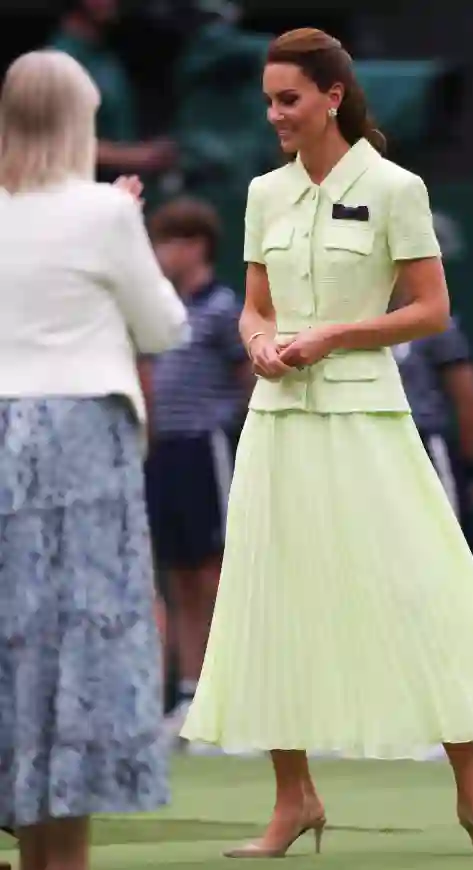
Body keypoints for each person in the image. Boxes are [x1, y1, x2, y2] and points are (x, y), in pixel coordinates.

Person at [180, 27, 473, 860]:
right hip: (278, 427)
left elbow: (430, 311)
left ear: (333, 96)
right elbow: (254, 304)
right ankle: (292, 802)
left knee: (423, 589)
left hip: (368, 419)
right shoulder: (263, 193)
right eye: (268, 100)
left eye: (290, 99)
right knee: (276, 604)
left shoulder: (395, 188)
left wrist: (335, 335)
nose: (275, 114)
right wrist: (257, 338)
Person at [0, 50, 187, 870]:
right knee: (82, 638)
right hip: (83, 436)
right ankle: (61, 847)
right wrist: (122, 221)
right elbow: (166, 327)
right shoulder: (107, 215)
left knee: (15, 636)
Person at [145, 198, 252, 744]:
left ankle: (230, 701)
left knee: (215, 577)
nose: (159, 254)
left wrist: (228, 427)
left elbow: (248, 376)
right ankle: (190, 696)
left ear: (196, 247)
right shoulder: (159, 309)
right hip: (164, 452)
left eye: (167, 242)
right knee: (181, 579)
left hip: (207, 450)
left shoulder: (222, 308)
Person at [49, 0, 176, 178]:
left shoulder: (106, 56)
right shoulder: (56, 62)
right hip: (78, 194)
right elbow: (48, 143)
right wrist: (136, 156)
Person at [392, 316, 473, 550]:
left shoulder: (433, 321)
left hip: (424, 447)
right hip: (365, 446)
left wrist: (467, 471)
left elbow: (468, 400)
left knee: (445, 546)